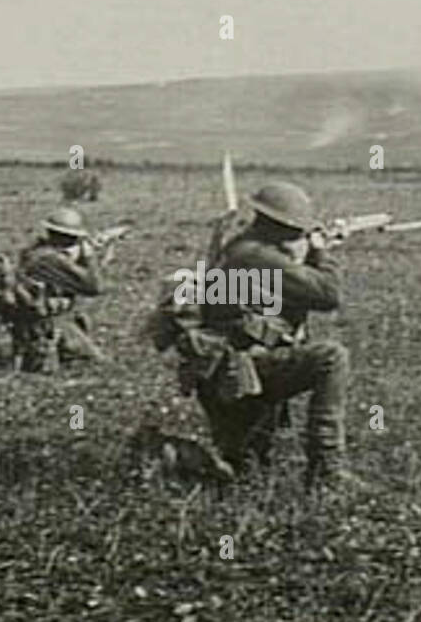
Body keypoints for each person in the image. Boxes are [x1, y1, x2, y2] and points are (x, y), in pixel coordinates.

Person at [151, 181, 357, 489]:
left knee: (247, 473)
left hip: (232, 376)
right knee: (331, 357)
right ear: (281, 227)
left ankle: (176, 457)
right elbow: (329, 295)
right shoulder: (256, 256)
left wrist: (310, 253)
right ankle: (327, 470)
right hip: (240, 373)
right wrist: (322, 252)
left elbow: (291, 296)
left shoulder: (242, 248)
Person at [0, 207, 108, 373]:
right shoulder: (50, 259)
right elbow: (95, 287)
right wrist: (89, 255)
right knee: (93, 364)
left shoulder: (37, 253)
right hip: (45, 326)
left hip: (39, 324)